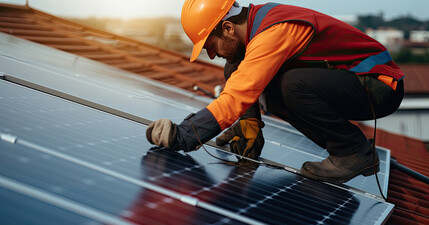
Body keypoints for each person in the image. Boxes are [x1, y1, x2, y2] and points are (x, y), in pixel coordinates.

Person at [146, 0, 404, 184]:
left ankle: (353, 152)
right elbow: (240, 77)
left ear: (227, 28)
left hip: (379, 84)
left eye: (210, 46)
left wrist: (186, 134)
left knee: (290, 85)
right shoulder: (259, 22)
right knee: (236, 66)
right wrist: (249, 120)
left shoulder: (274, 31)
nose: (212, 54)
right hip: (349, 80)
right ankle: (250, 131)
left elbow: (239, 93)